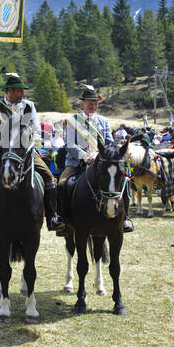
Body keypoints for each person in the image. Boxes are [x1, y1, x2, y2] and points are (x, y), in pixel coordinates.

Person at [0, 74, 62, 235]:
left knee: (48, 176)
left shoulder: (29, 106)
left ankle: (52, 216)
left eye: (23, 91)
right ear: (9, 91)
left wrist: (27, 141)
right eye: (20, 91)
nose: (23, 94)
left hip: (23, 152)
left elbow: (36, 129)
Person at [57, 86, 134, 235]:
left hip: (101, 162)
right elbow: (70, 145)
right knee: (61, 183)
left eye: (95, 103)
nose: (93, 106)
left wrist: (99, 154)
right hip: (77, 163)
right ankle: (62, 220)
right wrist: (85, 156)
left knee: (125, 181)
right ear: (82, 104)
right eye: (90, 103)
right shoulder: (73, 121)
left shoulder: (103, 121)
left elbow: (109, 143)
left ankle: (124, 218)